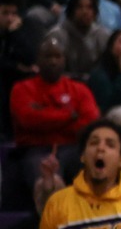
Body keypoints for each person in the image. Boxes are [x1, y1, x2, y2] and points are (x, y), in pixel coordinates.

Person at [8, 37, 99, 208]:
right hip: (35, 149)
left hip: (73, 148)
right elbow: (27, 120)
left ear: (65, 60)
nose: (53, 61)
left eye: (58, 57)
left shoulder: (80, 89)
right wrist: (69, 116)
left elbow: (89, 123)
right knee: (49, 181)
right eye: (48, 57)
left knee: (100, 167)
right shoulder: (21, 89)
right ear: (38, 60)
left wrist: (44, 115)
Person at [55, 0, 108, 81]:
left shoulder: (102, 35)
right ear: (71, 11)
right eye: (79, 7)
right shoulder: (57, 35)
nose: (85, 12)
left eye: (89, 7)